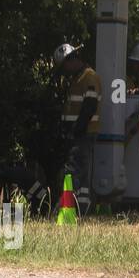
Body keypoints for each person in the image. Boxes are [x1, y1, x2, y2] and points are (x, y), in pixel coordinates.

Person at [53, 43, 99, 213]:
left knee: (73, 170)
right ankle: (81, 208)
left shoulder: (89, 77)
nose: (65, 71)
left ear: (71, 60)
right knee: (81, 172)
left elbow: (90, 106)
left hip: (83, 134)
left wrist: (76, 131)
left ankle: (64, 207)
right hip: (78, 133)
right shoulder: (78, 79)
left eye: (64, 67)